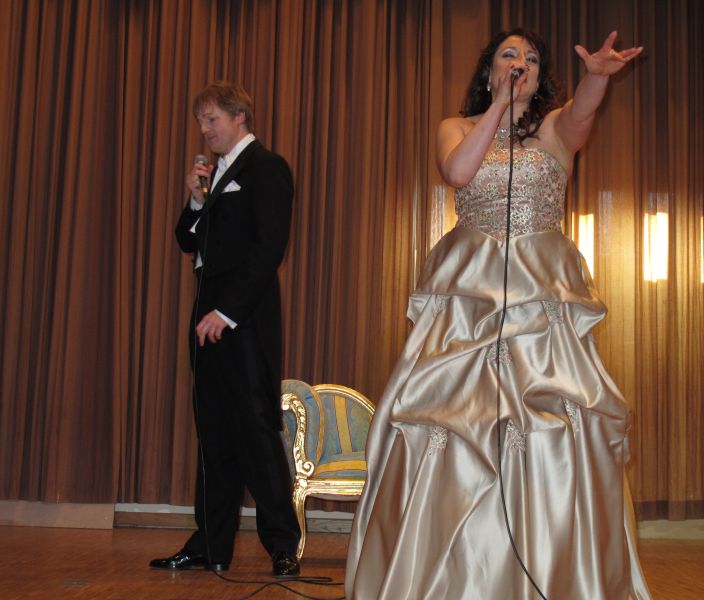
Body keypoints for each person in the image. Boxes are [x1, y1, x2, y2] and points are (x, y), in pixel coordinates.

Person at [345, 30, 651, 599]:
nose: (521, 63)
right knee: (450, 423)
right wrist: (499, 109)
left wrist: (596, 79)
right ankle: (447, 573)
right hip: (469, 293)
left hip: (539, 289)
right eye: (509, 55)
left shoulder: (554, 130)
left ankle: (551, 570)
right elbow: (458, 172)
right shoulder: (456, 127)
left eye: (531, 59)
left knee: (551, 424)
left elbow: (582, 114)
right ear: (489, 70)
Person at [150, 81, 301, 577]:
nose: (204, 129)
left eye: (211, 119)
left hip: (244, 321)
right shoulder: (214, 176)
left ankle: (283, 545)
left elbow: (268, 249)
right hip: (206, 319)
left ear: (239, 116)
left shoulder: (267, 167)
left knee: (256, 432)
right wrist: (196, 200)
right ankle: (210, 544)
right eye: (200, 120)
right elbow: (185, 240)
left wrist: (228, 312)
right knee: (213, 435)